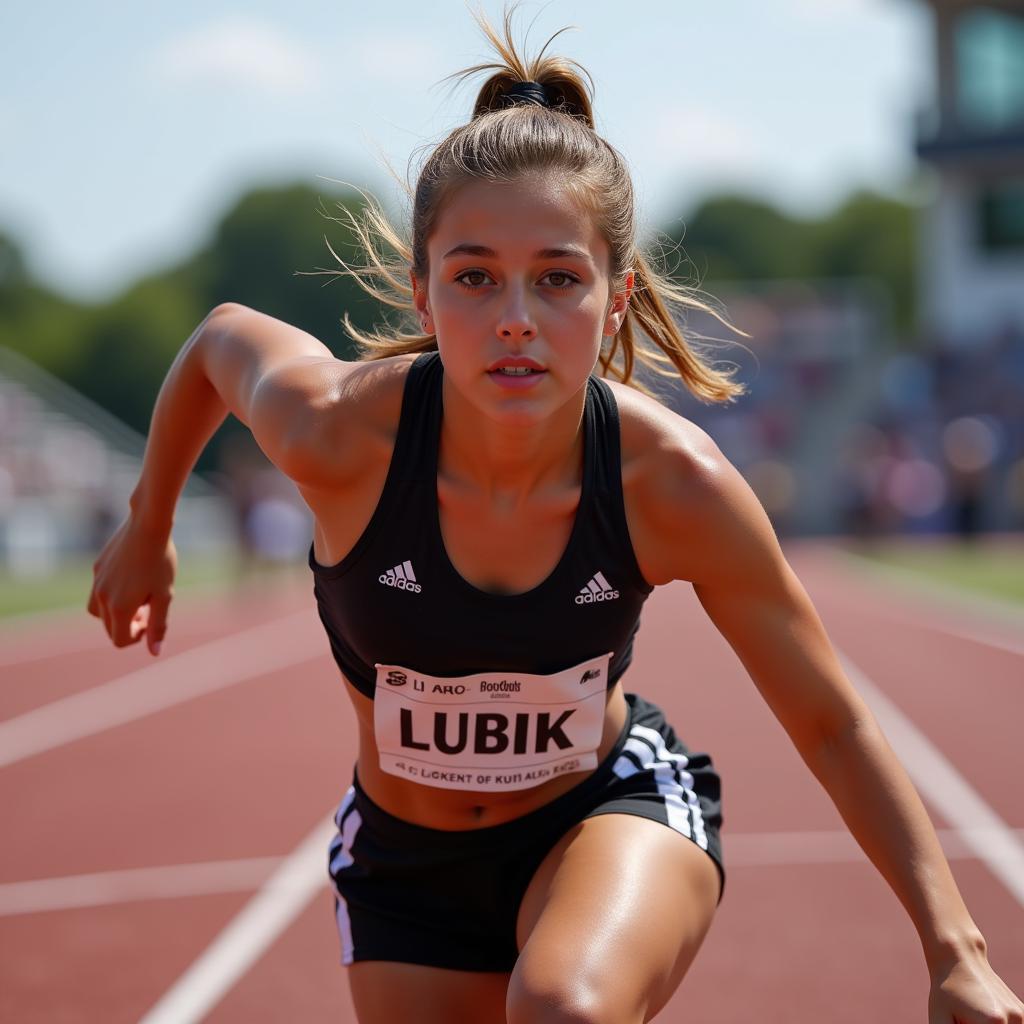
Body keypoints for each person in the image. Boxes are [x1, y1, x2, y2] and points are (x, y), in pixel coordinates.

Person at [87, 7, 1023, 1023]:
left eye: (559, 279)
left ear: (615, 300)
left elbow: (830, 718)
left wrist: (952, 951)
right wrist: (150, 524)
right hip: (407, 869)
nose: (515, 319)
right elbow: (222, 341)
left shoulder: (672, 483)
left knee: (562, 1007)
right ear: (422, 291)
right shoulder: (339, 435)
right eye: (475, 277)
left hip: (606, 811)